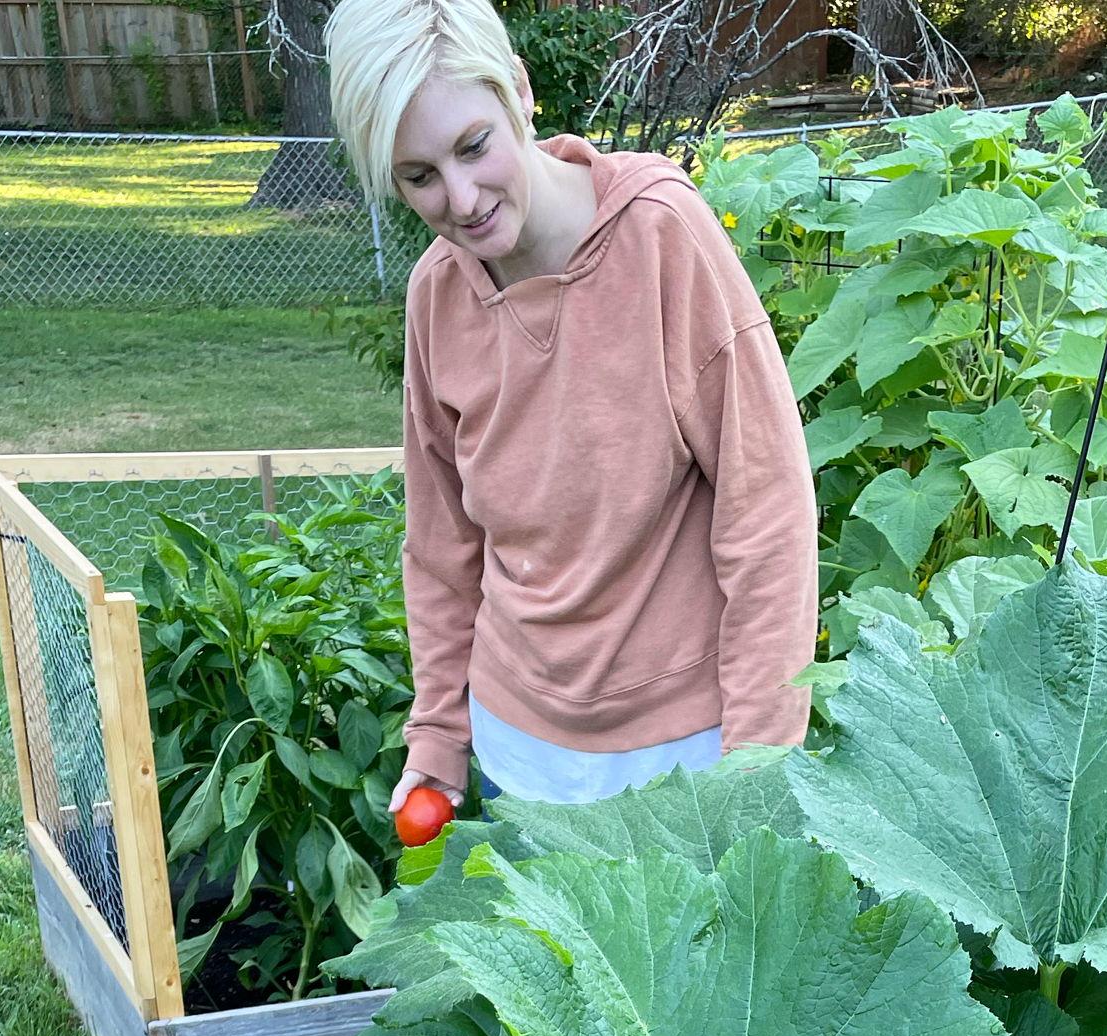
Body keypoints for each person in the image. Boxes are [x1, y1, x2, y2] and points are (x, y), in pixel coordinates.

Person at [324, 0, 818, 809]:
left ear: (518, 91)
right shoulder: (436, 299)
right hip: (516, 745)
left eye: (473, 146)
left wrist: (758, 763)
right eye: (419, 176)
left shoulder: (662, 239)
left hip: (684, 757)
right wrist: (441, 733)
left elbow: (768, 515)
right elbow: (442, 543)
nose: (461, 197)